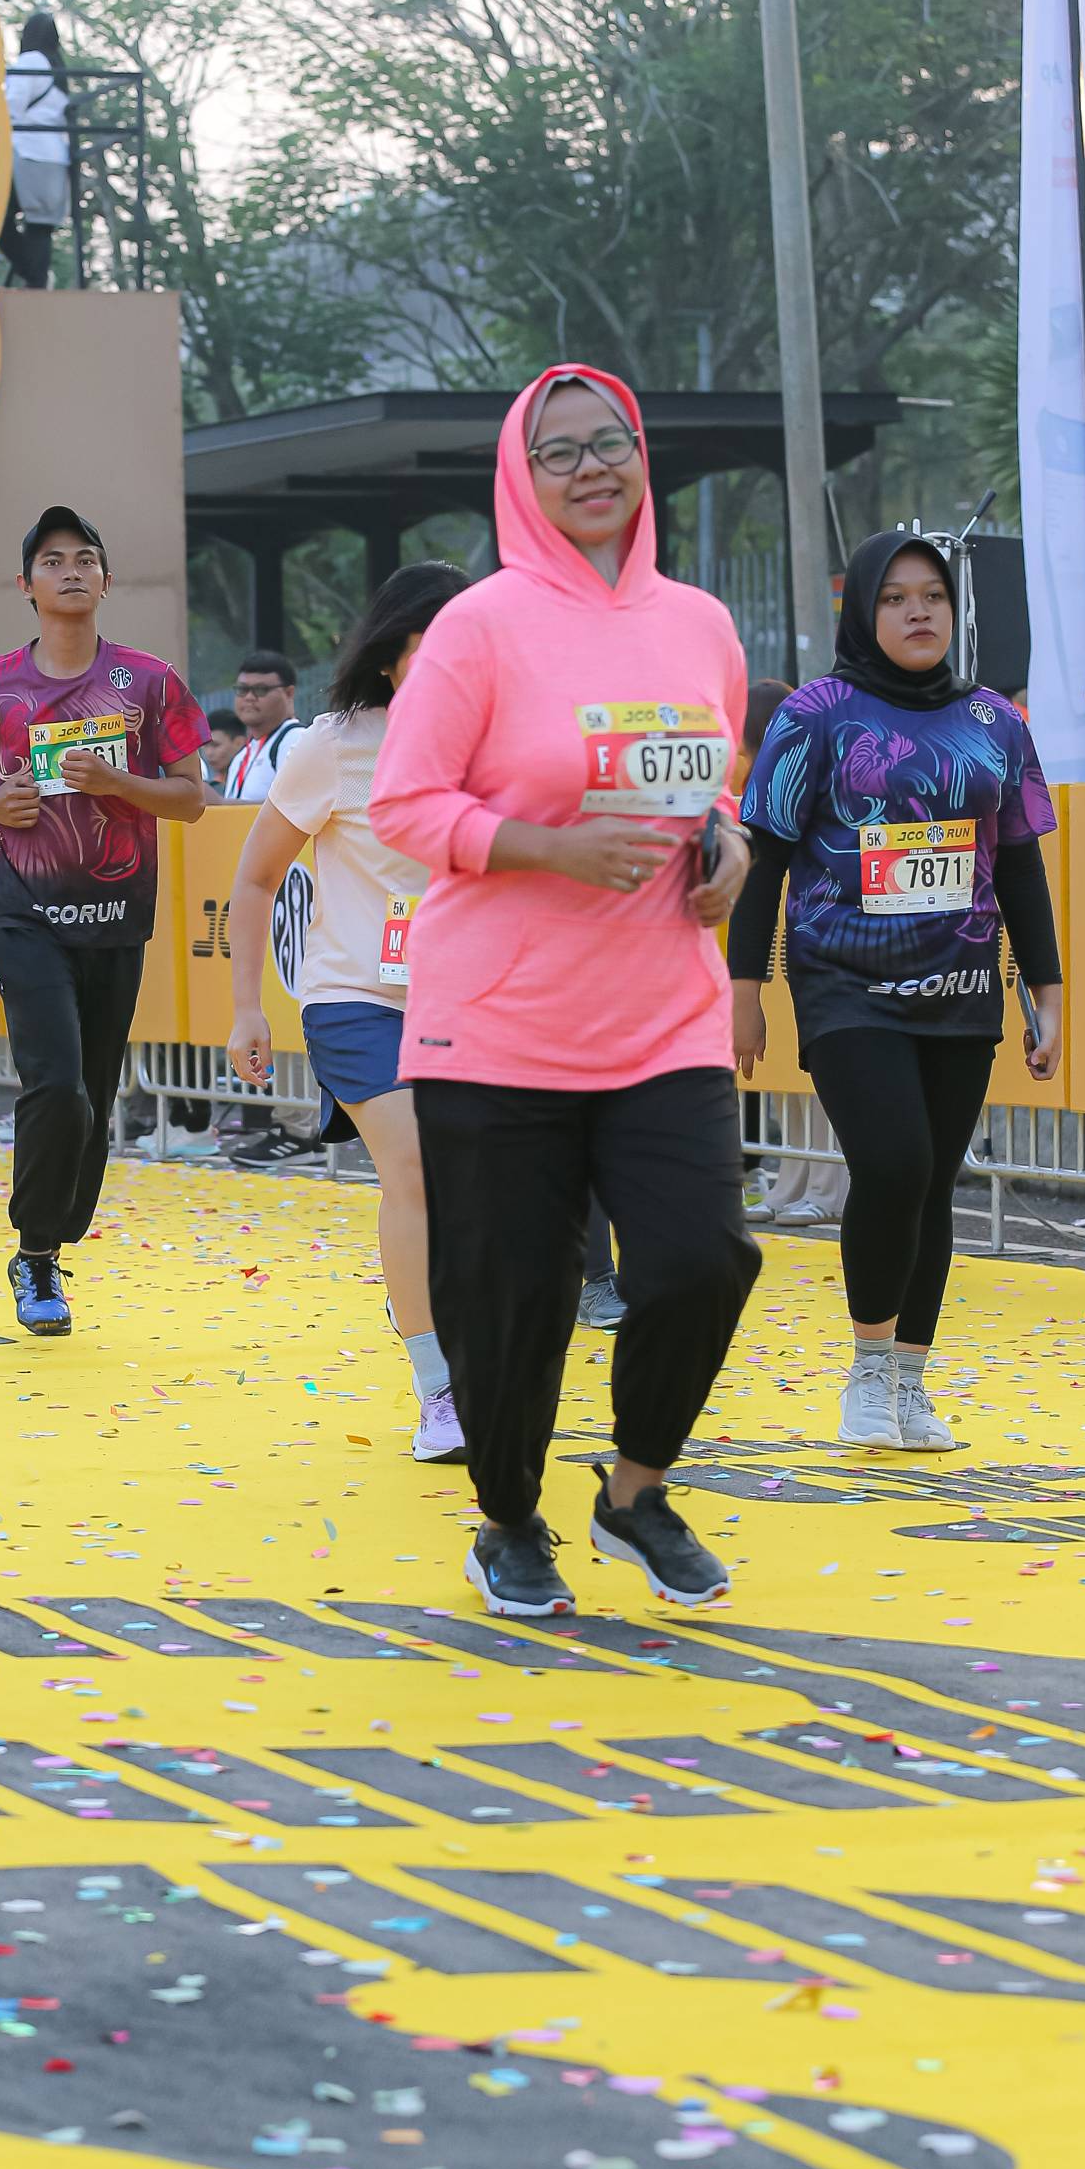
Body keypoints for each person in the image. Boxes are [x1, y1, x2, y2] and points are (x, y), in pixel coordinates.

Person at [370, 364, 759, 1618]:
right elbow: (403, 804)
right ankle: (506, 1521)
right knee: (512, 1301)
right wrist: (545, 848)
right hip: (498, 1027)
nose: (590, 468)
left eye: (610, 443)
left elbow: (713, 788)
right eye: (558, 451)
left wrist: (728, 850)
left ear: (640, 456)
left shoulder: (699, 623)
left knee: (701, 1260)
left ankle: (634, 1494)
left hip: (664, 1014)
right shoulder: (477, 626)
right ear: (518, 476)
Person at [730, 532, 1062, 1451]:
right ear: (863, 612)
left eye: (934, 596)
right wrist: (745, 988)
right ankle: (869, 1369)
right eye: (895, 597)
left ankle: (911, 1383)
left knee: (933, 1184)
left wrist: (1047, 994)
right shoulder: (815, 714)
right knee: (895, 1164)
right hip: (847, 986)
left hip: (963, 983)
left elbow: (1020, 865)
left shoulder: (995, 719)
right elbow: (765, 860)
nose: (919, 611)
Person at [0, 504, 209, 1335]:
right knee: (56, 1085)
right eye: (53, 561)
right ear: (26, 584)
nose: (71, 571)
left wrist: (118, 784)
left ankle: (52, 1238)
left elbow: (192, 797)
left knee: (92, 1098)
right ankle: (37, 1253)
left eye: (86, 558)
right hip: (24, 914)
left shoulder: (150, 683)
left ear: (107, 581)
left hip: (118, 916)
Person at [228, 562, 468, 1463]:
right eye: (431, 645)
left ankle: (463, 1339)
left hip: (471, 1002)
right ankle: (438, 1389)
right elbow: (255, 878)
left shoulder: (499, 740)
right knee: (415, 1169)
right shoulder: (333, 745)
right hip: (356, 998)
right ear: (390, 650)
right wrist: (246, 1009)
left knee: (476, 1187)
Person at [0, 11, 71, 291]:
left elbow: (11, 107)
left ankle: (32, 274)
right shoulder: (59, 69)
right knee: (40, 226)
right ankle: (36, 282)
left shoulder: (31, 61)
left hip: (29, 152)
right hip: (55, 157)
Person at [222, 653, 303, 801]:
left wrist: (219, 804)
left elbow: (296, 807)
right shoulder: (241, 756)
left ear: (289, 693)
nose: (249, 697)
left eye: (261, 689)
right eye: (242, 689)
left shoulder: (296, 740)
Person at [202, 709, 246, 795]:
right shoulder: (212, 787)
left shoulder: (253, 781)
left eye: (215, 745)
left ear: (239, 743)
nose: (209, 753)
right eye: (205, 745)